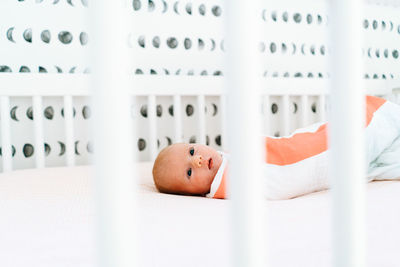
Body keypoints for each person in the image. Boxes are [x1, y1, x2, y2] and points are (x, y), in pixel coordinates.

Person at [152, 95, 400, 200]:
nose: (196, 161)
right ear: (192, 195)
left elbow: (284, 146)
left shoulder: (230, 159)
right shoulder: (230, 182)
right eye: (188, 173)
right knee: (373, 119)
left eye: (192, 151)